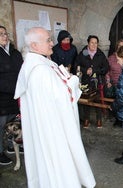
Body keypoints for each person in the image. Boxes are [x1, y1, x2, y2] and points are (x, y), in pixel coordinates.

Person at [14, 27, 96, 188]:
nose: (52, 43)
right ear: (35, 45)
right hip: (51, 128)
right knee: (57, 163)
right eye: (48, 40)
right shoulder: (39, 70)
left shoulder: (40, 62)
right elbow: (61, 97)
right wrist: (72, 81)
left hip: (48, 124)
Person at [0, 25, 23, 165]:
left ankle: (10, 145)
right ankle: (0, 152)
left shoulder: (15, 52)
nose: (4, 36)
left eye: (5, 33)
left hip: (15, 98)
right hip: (1, 98)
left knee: (12, 124)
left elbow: (22, 71)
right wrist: (11, 88)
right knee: (0, 126)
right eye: (1, 34)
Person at [75, 35, 109, 127]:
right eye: (92, 42)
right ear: (88, 43)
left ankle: (99, 119)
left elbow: (105, 68)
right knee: (86, 100)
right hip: (85, 80)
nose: (94, 45)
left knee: (97, 99)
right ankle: (86, 119)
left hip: (97, 81)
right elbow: (76, 66)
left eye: (96, 43)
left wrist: (94, 71)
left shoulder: (100, 54)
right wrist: (85, 70)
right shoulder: (83, 53)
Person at [106, 39, 123, 127]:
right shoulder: (111, 58)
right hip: (114, 83)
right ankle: (118, 119)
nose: (121, 48)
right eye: (119, 46)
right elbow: (107, 71)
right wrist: (108, 81)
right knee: (117, 100)